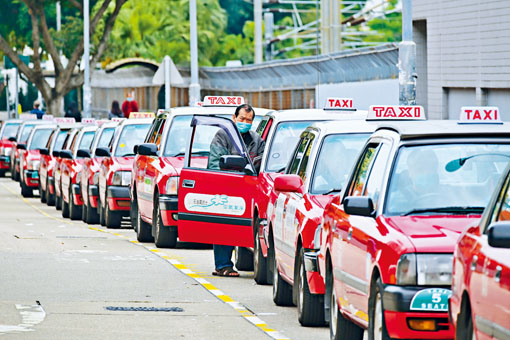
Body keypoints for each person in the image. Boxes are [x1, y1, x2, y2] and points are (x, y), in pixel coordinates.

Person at [208, 104, 265, 277]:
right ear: (234, 118)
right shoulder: (223, 135)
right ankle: (223, 265)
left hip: (249, 188)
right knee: (224, 226)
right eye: (242, 119)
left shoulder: (257, 139)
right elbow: (215, 163)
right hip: (227, 187)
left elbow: (262, 161)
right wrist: (234, 174)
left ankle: (247, 261)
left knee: (246, 227)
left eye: (249, 120)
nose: (245, 123)